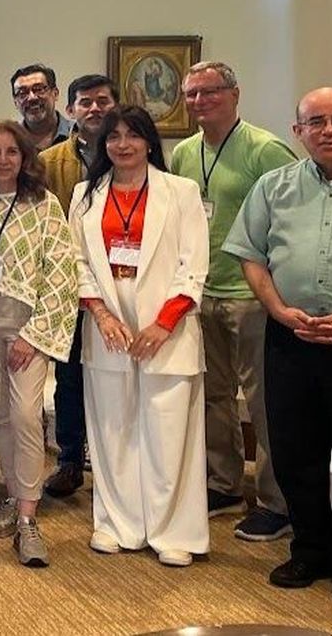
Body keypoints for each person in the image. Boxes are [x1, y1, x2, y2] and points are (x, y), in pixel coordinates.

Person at [69, 104, 209, 567]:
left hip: (165, 325)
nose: (122, 144)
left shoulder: (181, 192)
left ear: (150, 141)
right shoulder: (84, 195)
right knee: (113, 429)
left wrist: (164, 322)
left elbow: (194, 265)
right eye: (113, 136)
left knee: (168, 429)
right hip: (108, 323)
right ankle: (117, 523)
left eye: (132, 135)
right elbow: (77, 262)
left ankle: (174, 531)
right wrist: (102, 314)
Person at [169, 61, 299, 540]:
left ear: (235, 94)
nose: (200, 102)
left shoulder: (265, 150)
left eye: (210, 93)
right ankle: (223, 484)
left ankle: (276, 501)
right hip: (202, 293)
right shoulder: (184, 152)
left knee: (264, 402)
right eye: (191, 94)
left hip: (251, 295)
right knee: (212, 395)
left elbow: (293, 216)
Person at [223, 87, 332, 600]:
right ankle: (311, 551)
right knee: (296, 448)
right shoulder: (275, 186)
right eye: (315, 122)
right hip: (288, 334)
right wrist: (274, 308)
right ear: (298, 132)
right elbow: (251, 253)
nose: (328, 130)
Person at [0, 120, 79, 567]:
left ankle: (29, 519)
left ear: (25, 158)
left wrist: (34, 333)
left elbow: (63, 275)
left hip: (26, 327)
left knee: (27, 414)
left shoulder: (44, 206)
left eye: (11, 152)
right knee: (2, 416)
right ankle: (14, 498)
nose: (3, 160)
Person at [38, 72, 119, 498]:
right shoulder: (50, 162)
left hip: (123, 287)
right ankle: (70, 459)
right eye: (84, 102)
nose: (94, 109)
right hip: (68, 286)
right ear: (69, 110)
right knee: (70, 378)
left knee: (117, 376)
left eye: (102, 101)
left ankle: (115, 464)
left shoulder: (130, 154)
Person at [11, 64, 76, 151]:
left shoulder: (78, 134)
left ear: (55, 93)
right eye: (22, 93)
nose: (31, 98)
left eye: (38, 89)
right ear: (15, 102)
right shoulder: (10, 140)